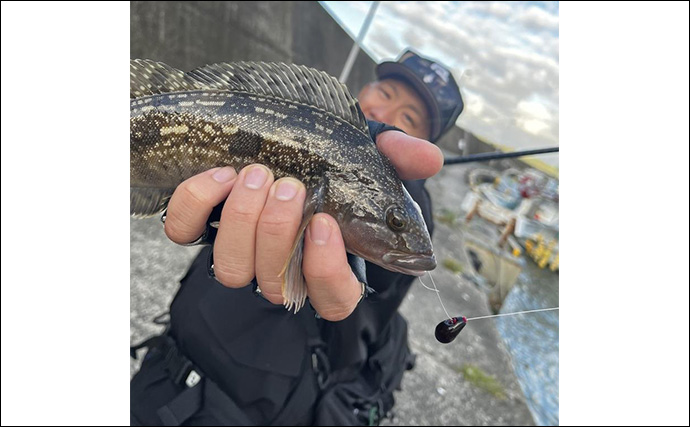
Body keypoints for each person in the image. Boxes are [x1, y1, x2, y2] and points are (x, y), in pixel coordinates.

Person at [130, 49, 464, 426]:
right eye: (385, 94)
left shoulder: (410, 202)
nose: (385, 115)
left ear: (424, 144)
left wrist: (392, 223)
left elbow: (386, 276)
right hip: (159, 374)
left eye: (408, 119)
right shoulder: (326, 133)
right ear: (365, 89)